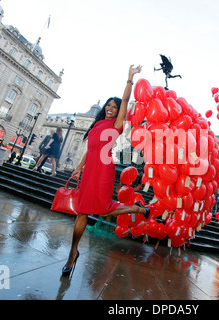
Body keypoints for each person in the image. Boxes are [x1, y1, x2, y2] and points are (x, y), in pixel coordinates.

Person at [62, 65, 149, 277]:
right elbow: (90, 150)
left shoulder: (117, 123)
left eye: (113, 106)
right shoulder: (97, 124)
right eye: (108, 106)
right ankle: (72, 253)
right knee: (83, 211)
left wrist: (129, 78)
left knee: (101, 208)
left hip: (104, 169)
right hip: (90, 168)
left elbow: (126, 101)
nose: (110, 108)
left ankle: (137, 210)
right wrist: (78, 168)